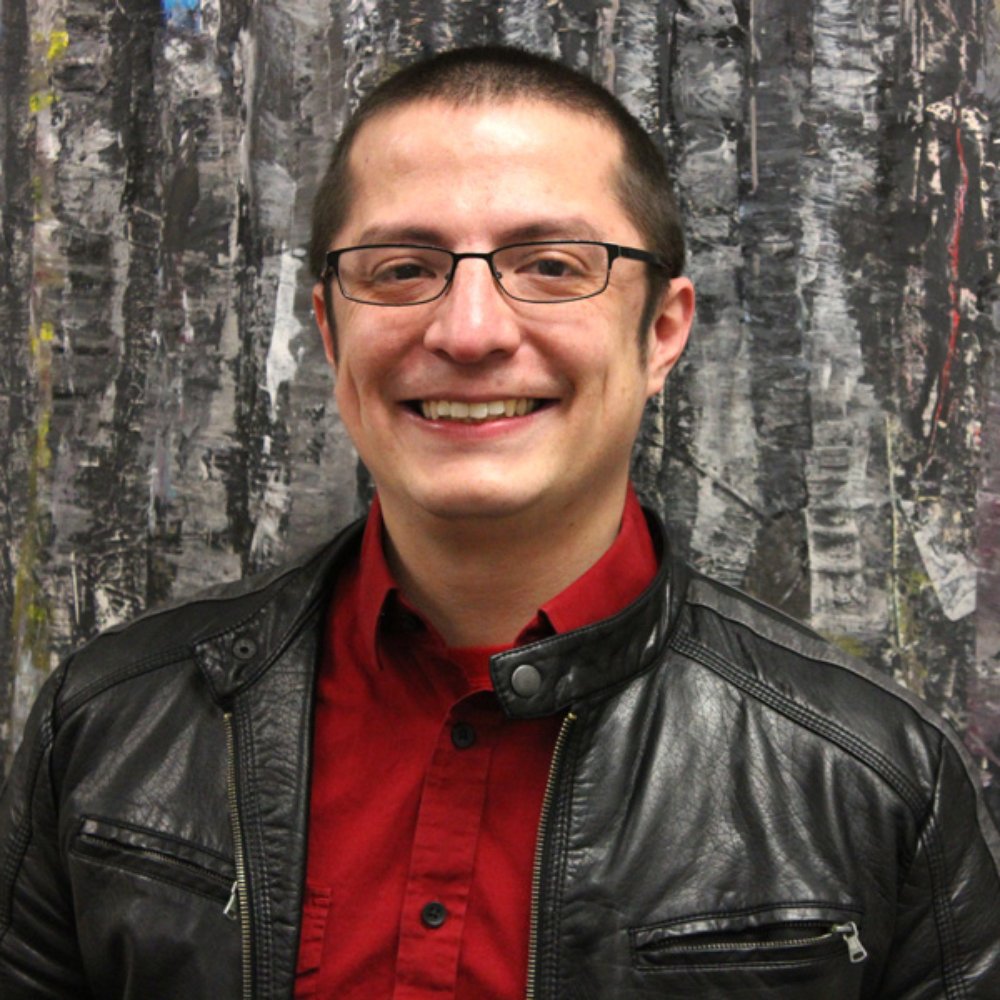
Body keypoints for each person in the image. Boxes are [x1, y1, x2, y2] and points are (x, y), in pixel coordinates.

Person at [1, 45, 998, 1000]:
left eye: (552, 265)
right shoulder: (104, 729)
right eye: (401, 268)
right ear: (329, 330)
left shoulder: (875, 780)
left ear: (660, 331)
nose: (470, 331)